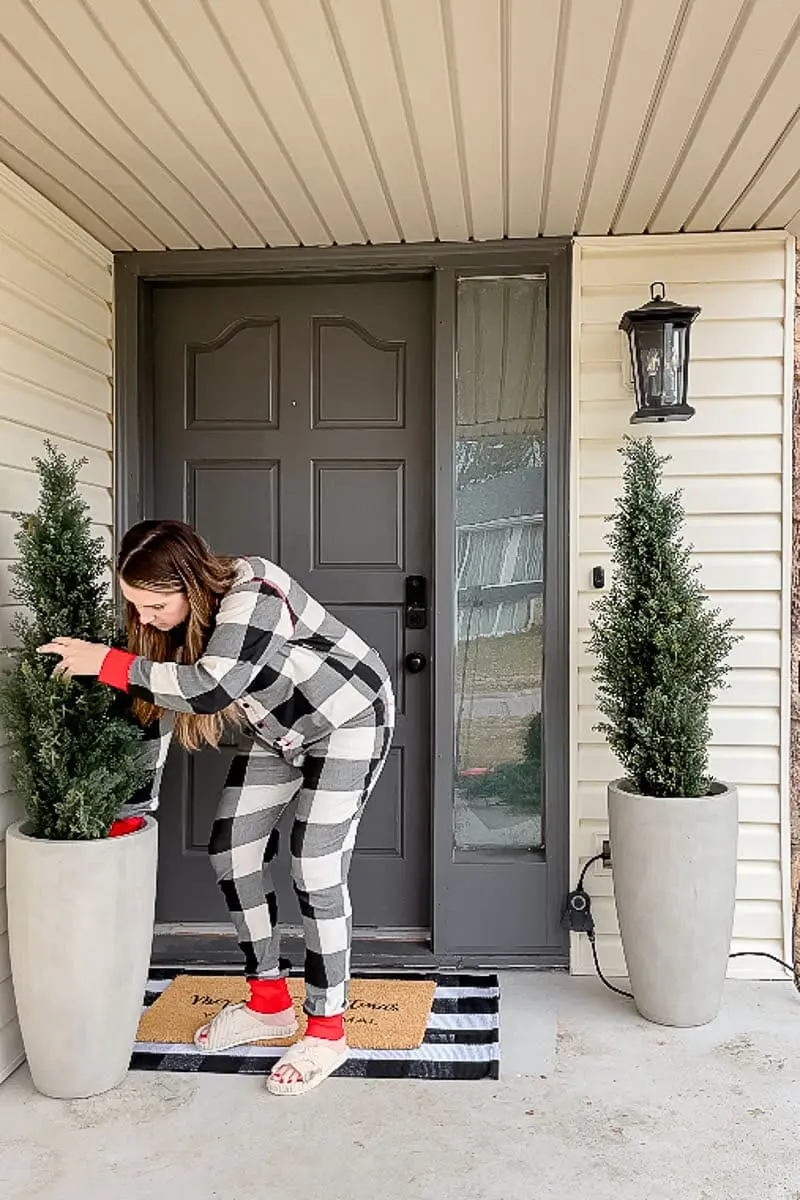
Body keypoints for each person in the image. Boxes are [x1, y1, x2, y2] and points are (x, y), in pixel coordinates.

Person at [38, 520, 395, 1096]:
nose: (145, 618)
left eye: (155, 605)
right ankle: (270, 1003)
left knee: (314, 866)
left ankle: (327, 1031)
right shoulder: (168, 618)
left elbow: (208, 689)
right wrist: (133, 807)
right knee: (232, 854)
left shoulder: (254, 592)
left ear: (189, 584)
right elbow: (150, 707)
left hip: (348, 718)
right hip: (278, 732)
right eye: (135, 605)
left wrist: (107, 662)